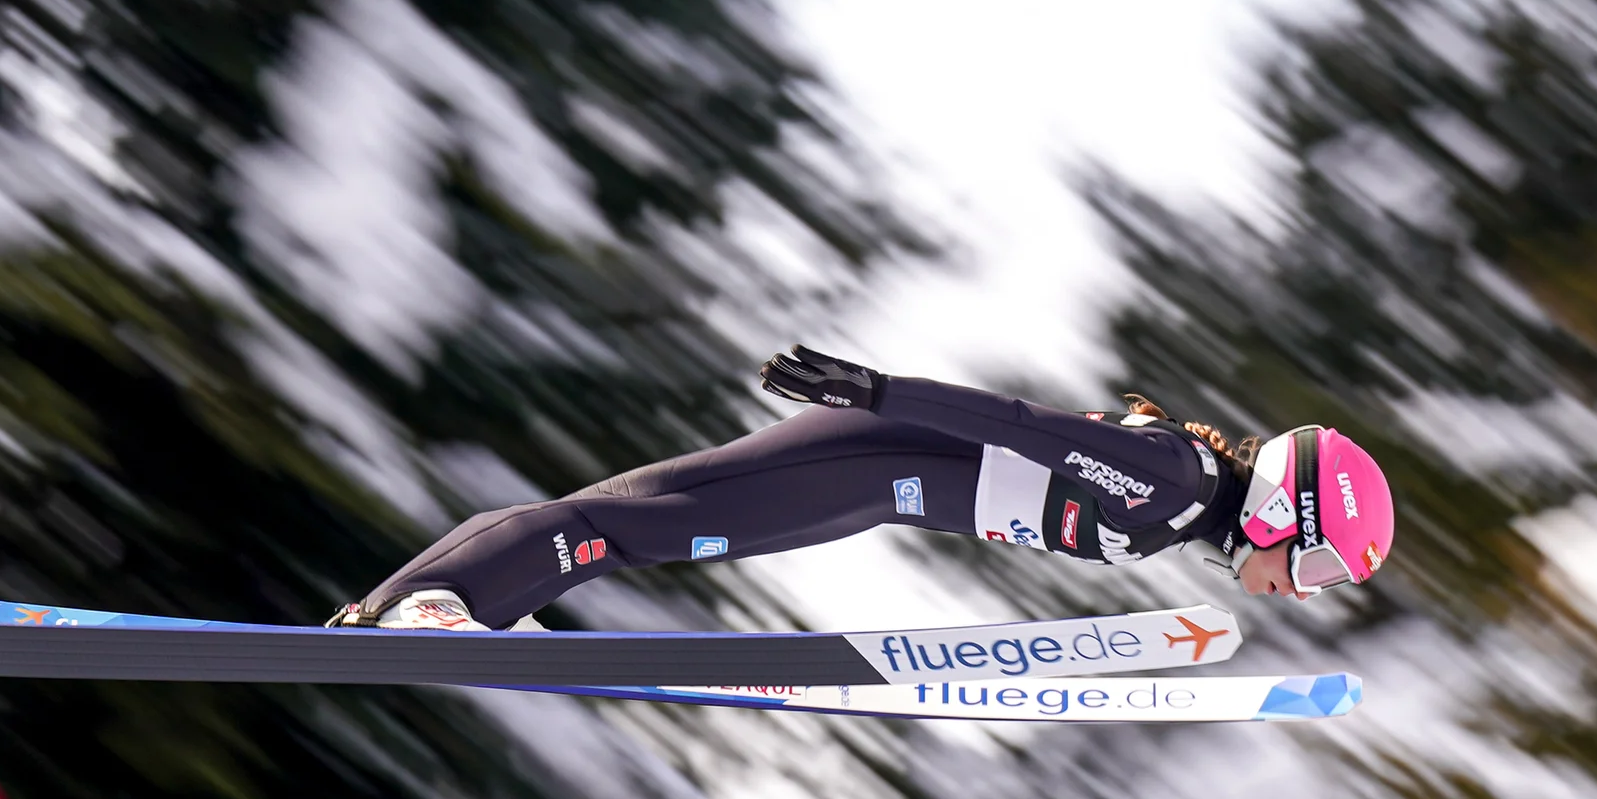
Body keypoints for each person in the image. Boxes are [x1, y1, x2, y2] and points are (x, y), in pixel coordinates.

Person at [329, 345, 1396, 630]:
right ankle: (448, 609)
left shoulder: (1179, 507)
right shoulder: (1172, 483)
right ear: (1282, 511)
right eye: (1311, 561)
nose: (1301, 586)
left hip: (869, 482)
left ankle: (391, 610)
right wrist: (881, 391)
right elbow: (1019, 424)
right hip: (867, 462)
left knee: (622, 518)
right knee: (625, 533)